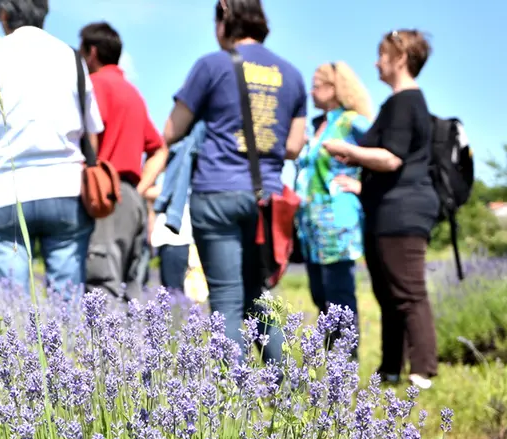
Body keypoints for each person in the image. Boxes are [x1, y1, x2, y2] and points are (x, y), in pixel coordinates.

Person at [162, 0, 307, 364]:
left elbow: (171, 130)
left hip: (217, 193)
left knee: (226, 299)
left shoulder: (211, 65)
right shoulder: (291, 74)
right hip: (265, 198)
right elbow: (293, 146)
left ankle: (232, 401)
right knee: (257, 295)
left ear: (225, 17)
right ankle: (286, 390)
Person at [0, 0, 103, 298]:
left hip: (4, 190)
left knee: (13, 305)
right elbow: (92, 134)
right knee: (68, 303)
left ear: (3, 15)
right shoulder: (71, 57)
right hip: (64, 188)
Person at [323, 29, 439, 389]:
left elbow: (391, 158)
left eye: (382, 54)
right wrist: (360, 183)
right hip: (386, 208)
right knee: (389, 293)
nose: (376, 61)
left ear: (400, 58)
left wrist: (348, 149)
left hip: (403, 211)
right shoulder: (396, 103)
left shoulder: (406, 102)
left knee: (407, 291)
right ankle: (391, 368)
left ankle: (423, 370)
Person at [79, 21, 169, 302]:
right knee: (131, 288)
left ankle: (110, 348)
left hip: (104, 198)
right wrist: (140, 189)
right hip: (131, 197)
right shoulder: (133, 93)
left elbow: (90, 135)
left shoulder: (95, 85)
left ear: (91, 52)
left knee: (102, 283)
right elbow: (160, 149)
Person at [294, 61, 372, 358]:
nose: (311, 92)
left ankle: (346, 361)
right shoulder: (319, 125)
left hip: (337, 220)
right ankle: (330, 360)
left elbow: (384, 154)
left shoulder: (353, 122)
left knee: (339, 293)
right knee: (319, 293)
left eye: (316, 85)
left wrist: (363, 187)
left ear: (333, 88)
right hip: (311, 224)